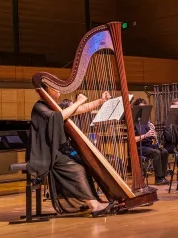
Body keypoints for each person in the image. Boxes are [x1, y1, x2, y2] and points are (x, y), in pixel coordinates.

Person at [27, 82, 115, 217]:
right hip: (45, 153)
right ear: (49, 89)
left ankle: (90, 200)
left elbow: (79, 110)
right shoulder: (39, 107)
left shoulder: (52, 106)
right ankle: (94, 205)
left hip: (56, 151)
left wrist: (101, 101)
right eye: (57, 89)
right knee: (77, 168)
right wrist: (78, 101)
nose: (60, 92)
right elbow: (58, 117)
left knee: (83, 165)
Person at [132, 98, 169, 185]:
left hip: (148, 145)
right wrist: (146, 135)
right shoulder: (133, 122)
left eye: (144, 109)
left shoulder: (147, 120)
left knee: (164, 151)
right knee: (156, 153)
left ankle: (163, 176)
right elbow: (133, 139)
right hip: (139, 147)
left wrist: (153, 132)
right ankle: (158, 179)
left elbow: (151, 136)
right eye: (141, 109)